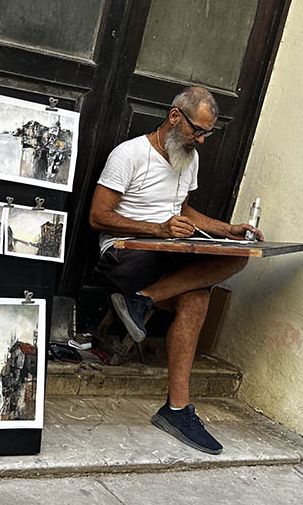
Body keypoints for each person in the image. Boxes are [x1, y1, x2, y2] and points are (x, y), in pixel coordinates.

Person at [87, 86, 261, 455]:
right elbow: (97, 217)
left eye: (206, 133)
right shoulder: (129, 154)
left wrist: (226, 229)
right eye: (196, 130)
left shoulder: (188, 157)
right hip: (125, 252)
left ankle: (174, 404)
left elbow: (183, 211)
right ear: (174, 116)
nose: (200, 139)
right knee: (195, 295)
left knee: (238, 255)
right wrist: (158, 229)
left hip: (165, 253)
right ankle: (177, 405)